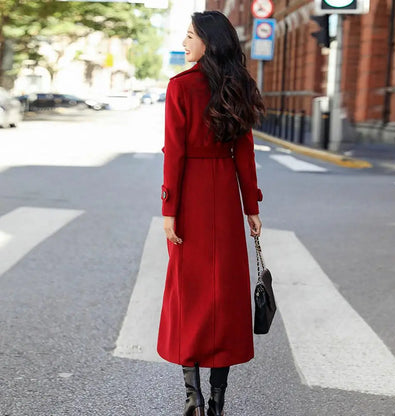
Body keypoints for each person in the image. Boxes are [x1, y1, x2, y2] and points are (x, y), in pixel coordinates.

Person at [157, 10, 264, 416]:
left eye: (189, 37)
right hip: (224, 194)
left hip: (191, 197)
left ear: (209, 42)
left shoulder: (180, 87)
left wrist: (169, 208)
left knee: (189, 292)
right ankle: (217, 400)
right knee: (225, 296)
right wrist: (250, 205)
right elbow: (245, 153)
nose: (184, 44)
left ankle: (193, 396)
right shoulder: (239, 84)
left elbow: (175, 152)